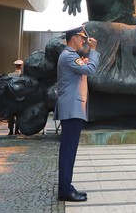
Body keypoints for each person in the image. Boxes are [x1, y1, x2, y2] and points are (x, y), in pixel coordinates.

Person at [56, 26, 100, 202]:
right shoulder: (68, 56)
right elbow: (90, 70)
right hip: (72, 110)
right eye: (81, 38)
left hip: (73, 110)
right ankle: (65, 190)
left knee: (69, 151)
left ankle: (66, 187)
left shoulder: (70, 56)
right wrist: (94, 51)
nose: (83, 41)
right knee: (68, 151)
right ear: (73, 38)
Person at [6, 59, 24, 135]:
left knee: (11, 115)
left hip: (11, 98)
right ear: (21, 66)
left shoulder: (9, 75)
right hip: (20, 98)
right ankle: (17, 130)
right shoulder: (23, 76)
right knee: (19, 115)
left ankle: (10, 130)